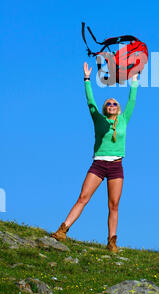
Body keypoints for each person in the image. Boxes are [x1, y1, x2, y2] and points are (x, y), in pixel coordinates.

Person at [50, 62, 139, 252]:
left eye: (115, 103)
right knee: (83, 197)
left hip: (116, 166)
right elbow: (90, 101)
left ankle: (112, 241)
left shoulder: (124, 119)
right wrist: (87, 79)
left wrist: (134, 81)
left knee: (113, 205)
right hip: (98, 164)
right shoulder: (98, 119)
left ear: (119, 108)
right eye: (108, 103)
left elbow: (132, 100)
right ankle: (62, 230)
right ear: (104, 108)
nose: (112, 105)